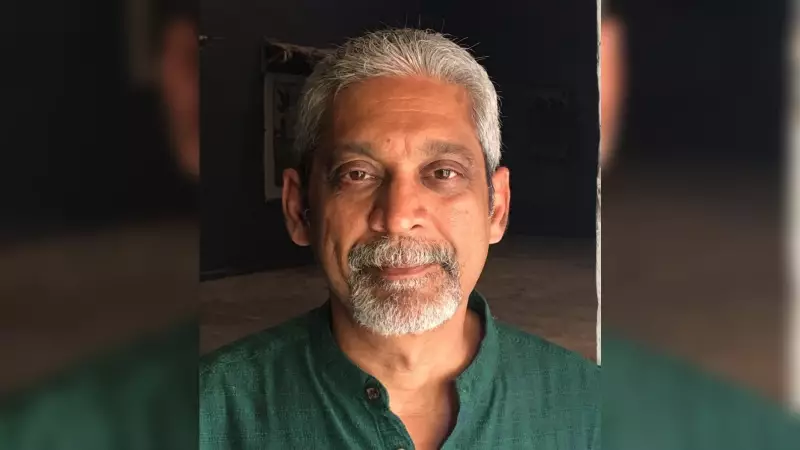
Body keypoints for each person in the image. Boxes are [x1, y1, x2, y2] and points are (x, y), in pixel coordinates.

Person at [200, 28, 600, 450]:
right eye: (357, 174)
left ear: (496, 208)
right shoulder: (204, 416)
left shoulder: (594, 411)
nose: (398, 217)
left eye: (443, 172)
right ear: (299, 208)